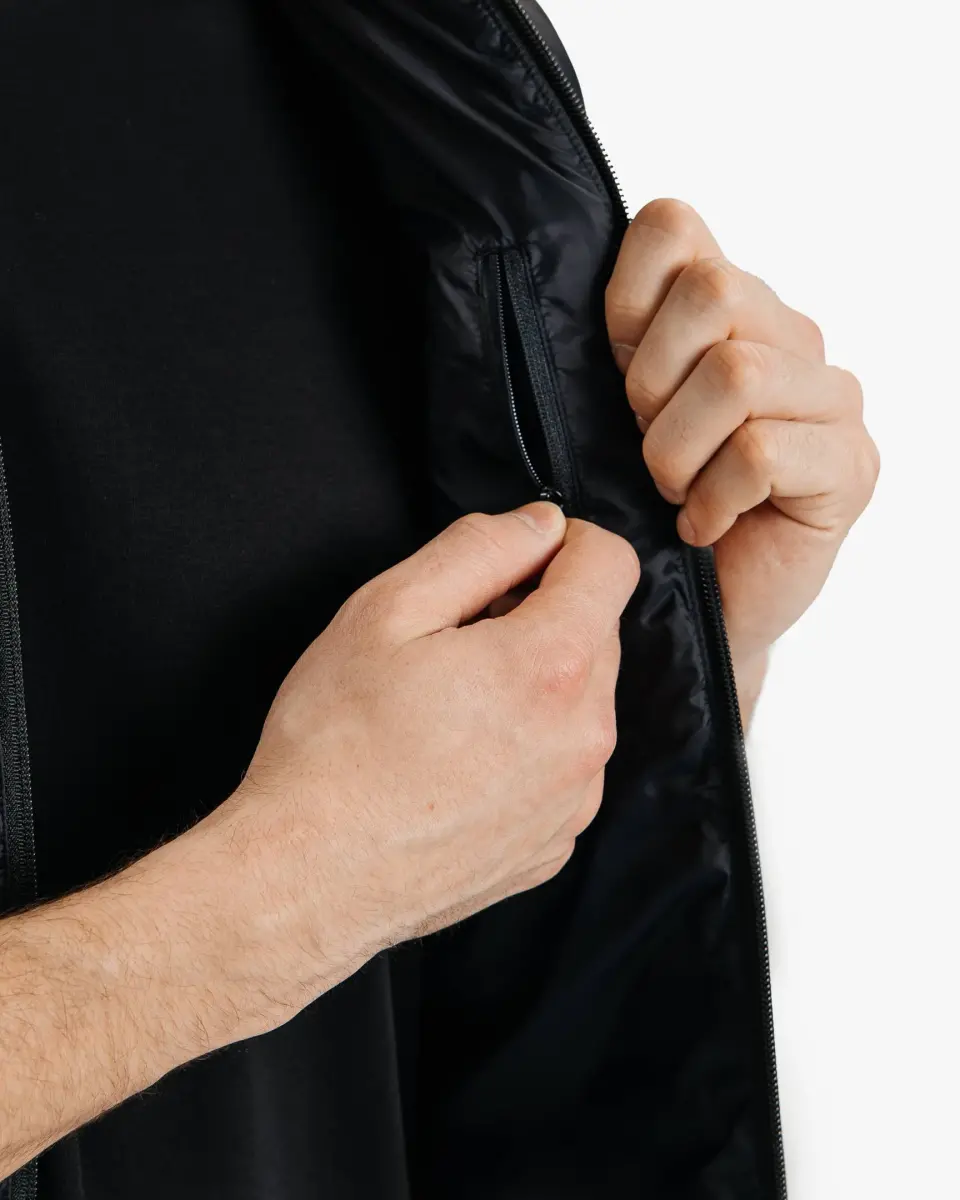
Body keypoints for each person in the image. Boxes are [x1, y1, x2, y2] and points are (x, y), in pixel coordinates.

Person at [0, 2, 878, 1197]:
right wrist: (285, 891)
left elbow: (437, 947)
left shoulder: (340, 62)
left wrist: (659, 674)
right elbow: (338, 865)